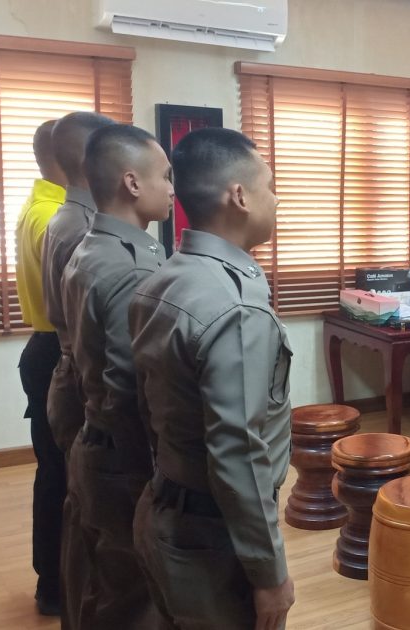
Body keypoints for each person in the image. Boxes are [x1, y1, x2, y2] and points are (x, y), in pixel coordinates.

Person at [130, 127, 296, 629]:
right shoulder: (236, 307)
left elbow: (148, 404)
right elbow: (238, 449)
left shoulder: (165, 277)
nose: (277, 198)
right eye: (270, 186)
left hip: (164, 505)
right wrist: (269, 573)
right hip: (212, 536)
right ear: (239, 196)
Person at [61, 124, 172, 627]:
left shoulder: (92, 247)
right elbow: (133, 389)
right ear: (132, 183)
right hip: (122, 457)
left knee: (102, 582)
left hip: (94, 440)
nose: (171, 189)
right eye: (164, 176)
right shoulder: (132, 269)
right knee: (131, 597)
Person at [39, 110, 114, 627]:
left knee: (82, 509)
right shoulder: (83, 230)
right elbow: (91, 336)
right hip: (85, 383)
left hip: (72, 372)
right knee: (91, 517)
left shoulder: (68, 218)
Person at [14, 120, 67, 617]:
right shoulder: (55, 218)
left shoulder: (39, 206)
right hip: (57, 352)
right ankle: (55, 582)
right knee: (63, 474)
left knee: (55, 471)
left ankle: (52, 580)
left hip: (44, 349)